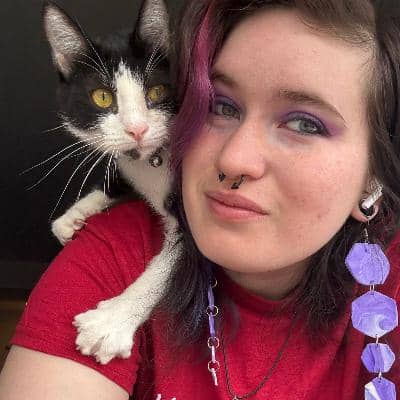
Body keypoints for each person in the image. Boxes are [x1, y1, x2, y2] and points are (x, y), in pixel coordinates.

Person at [1, 0, 400, 399]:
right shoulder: (113, 252)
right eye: (220, 105)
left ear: (372, 175)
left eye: (304, 124)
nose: (234, 159)